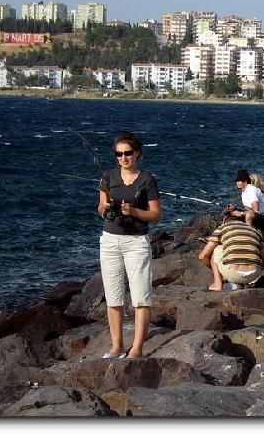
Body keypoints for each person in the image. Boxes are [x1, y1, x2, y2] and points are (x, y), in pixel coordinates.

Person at [97, 132, 162, 359]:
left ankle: (136, 349)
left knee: (140, 297)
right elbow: (100, 207)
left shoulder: (147, 180)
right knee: (113, 296)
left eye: (128, 153)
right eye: (119, 154)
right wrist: (108, 209)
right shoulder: (108, 176)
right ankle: (117, 347)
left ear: (138, 154)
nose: (123, 158)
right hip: (110, 241)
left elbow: (156, 214)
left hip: (136, 242)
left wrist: (133, 211)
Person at [198, 212, 264, 291]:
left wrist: (215, 268)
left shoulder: (223, 228)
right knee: (248, 249)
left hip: (233, 272)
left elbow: (203, 256)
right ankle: (245, 283)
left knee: (217, 249)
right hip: (254, 274)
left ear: (224, 222)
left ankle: (217, 284)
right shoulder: (255, 231)